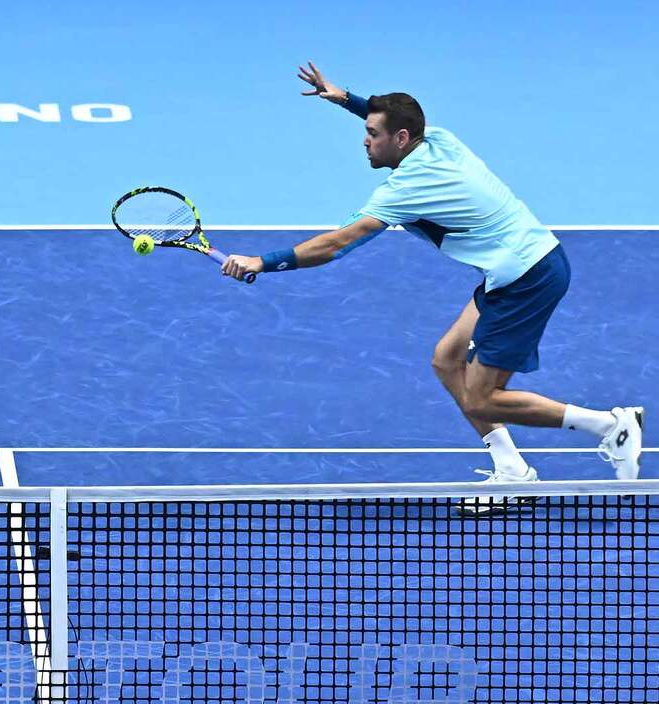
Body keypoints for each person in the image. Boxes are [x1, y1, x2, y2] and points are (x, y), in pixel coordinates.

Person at [220, 62, 644, 515]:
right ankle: (513, 471)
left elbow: (337, 244)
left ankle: (608, 425)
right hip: (518, 265)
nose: (365, 140)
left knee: (482, 395)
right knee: (447, 360)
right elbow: (392, 121)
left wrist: (262, 263)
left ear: (400, 139)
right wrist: (345, 99)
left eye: (373, 133)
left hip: (527, 278)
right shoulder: (438, 140)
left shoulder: (407, 188)